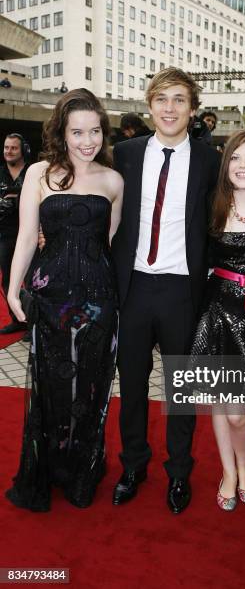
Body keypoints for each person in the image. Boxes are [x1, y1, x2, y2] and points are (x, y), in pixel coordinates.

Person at [5, 88, 123, 512]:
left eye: (94, 131)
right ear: (62, 132)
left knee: (90, 387)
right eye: (77, 132)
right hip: (50, 296)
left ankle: (81, 469)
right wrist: (13, 287)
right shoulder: (39, 173)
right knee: (52, 384)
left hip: (98, 300)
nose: (87, 140)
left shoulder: (113, 181)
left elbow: (108, 242)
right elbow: (24, 237)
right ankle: (51, 465)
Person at [111, 67, 221, 514]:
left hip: (182, 289)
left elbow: (224, 220)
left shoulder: (212, 160)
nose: (170, 108)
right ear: (150, 105)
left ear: (192, 109)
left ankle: (179, 472)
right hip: (133, 287)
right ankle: (133, 465)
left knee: (181, 390)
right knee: (132, 386)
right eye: (161, 99)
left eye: (179, 99)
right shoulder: (124, 153)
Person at [191, 129, 245, 510]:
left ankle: (244, 465)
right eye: (236, 158)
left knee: (239, 413)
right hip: (215, 314)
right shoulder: (213, 205)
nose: (243, 166)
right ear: (226, 163)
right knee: (217, 401)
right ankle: (230, 471)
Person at [0, 134, 30, 334]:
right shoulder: (0, 172)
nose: (8, 151)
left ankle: (32, 322)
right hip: (5, 234)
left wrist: (17, 200)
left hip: (31, 234)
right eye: (6, 147)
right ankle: (17, 320)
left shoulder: (33, 172)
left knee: (32, 280)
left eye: (13, 148)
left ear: (24, 150)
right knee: (7, 279)